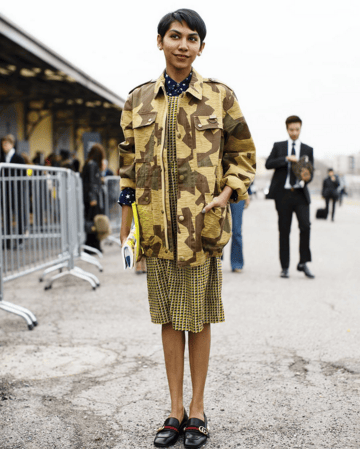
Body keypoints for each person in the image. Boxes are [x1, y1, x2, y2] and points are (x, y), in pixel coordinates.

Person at [118, 9, 256, 448]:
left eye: (191, 38)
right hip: (158, 232)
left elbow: (244, 156)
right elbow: (127, 170)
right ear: (159, 41)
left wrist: (228, 194)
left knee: (196, 319)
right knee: (167, 320)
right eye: (174, 36)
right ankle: (173, 409)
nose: (183, 45)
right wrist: (127, 231)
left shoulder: (220, 97)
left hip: (201, 229)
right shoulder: (137, 101)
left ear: (200, 47)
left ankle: (197, 410)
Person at [265, 116, 315, 279]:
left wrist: (307, 176)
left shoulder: (308, 149)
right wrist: (285, 159)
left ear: (301, 129)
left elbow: (310, 175)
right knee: (284, 231)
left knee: (306, 227)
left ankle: (303, 263)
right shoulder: (279, 146)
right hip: (283, 195)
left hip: (300, 194)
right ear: (287, 129)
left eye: (297, 129)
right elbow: (268, 164)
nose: (294, 132)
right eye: (291, 129)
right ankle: (284, 267)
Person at [0, 134, 26, 248]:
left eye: (6, 144)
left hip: (17, 191)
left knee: (19, 215)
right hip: (4, 191)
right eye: (3, 144)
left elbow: (23, 175)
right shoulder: (1, 157)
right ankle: (7, 240)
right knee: (6, 216)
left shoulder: (19, 158)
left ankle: (20, 240)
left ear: (12, 144)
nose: (4, 146)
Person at [81, 143, 105, 252]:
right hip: (92, 199)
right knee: (94, 222)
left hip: (90, 198)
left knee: (92, 222)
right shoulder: (92, 165)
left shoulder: (89, 164)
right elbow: (91, 182)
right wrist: (92, 198)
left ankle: (93, 246)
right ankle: (93, 246)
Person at [230, 186, 252, 273]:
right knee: (216, 229)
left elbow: (246, 173)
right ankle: (216, 261)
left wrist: (247, 194)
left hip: (238, 192)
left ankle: (237, 263)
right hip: (217, 191)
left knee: (236, 231)